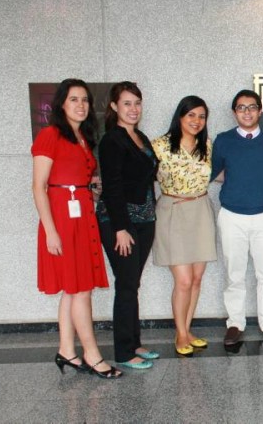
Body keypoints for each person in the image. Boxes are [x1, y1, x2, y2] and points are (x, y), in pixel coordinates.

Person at [31, 78, 122, 379]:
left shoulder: (82, 137)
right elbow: (39, 186)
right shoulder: (50, 135)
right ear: (61, 104)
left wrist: (91, 190)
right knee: (80, 290)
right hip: (61, 220)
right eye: (74, 99)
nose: (81, 105)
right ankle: (93, 356)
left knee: (73, 291)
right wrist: (51, 230)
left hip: (82, 215)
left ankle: (67, 351)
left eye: (84, 100)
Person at [212, 90, 263, 346]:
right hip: (232, 215)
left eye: (252, 107)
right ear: (234, 113)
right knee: (235, 274)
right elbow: (214, 172)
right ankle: (235, 324)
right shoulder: (223, 140)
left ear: (260, 111)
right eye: (241, 108)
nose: (247, 112)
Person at [97, 81, 159, 370]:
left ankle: (134, 343)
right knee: (125, 284)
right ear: (114, 107)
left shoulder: (140, 137)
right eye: (127, 104)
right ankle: (123, 352)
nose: (133, 109)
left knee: (132, 283)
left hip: (145, 218)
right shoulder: (112, 139)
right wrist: (120, 228)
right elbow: (112, 185)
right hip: (119, 222)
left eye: (137, 103)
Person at [151, 96, 217, 356]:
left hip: (200, 210)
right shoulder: (159, 146)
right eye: (191, 115)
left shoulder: (207, 146)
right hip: (173, 211)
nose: (196, 121)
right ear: (180, 116)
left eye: (201, 116)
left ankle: (188, 330)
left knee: (197, 279)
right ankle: (180, 334)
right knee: (184, 281)